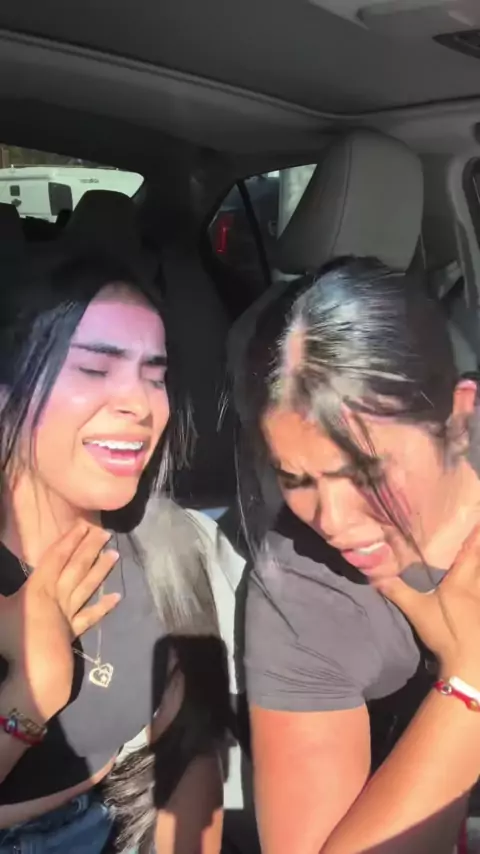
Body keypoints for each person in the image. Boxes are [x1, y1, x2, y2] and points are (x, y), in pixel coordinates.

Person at [238, 256, 480, 854]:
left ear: (457, 419)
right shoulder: (304, 585)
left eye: (367, 473)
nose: (334, 524)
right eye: (296, 480)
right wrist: (470, 685)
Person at [0, 253, 231, 853]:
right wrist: (29, 694)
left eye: (155, 375)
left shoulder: (165, 548)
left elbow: (190, 757)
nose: (140, 404)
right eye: (94, 369)